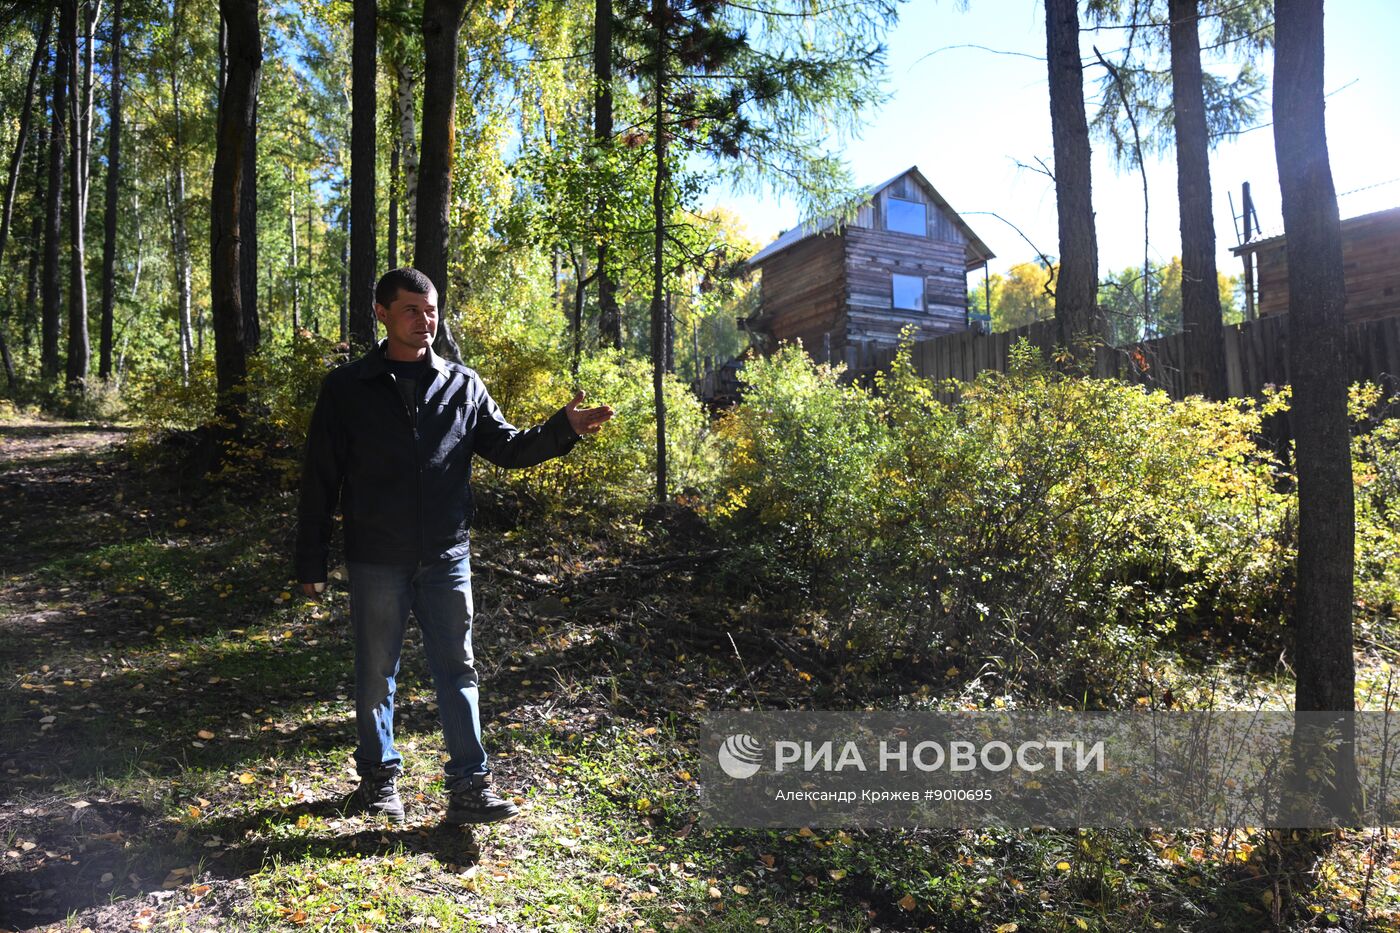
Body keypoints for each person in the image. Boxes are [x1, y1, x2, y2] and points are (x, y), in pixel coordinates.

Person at [294, 267, 613, 825]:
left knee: (458, 669)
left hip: (446, 556)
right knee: (375, 673)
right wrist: (310, 561)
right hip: (376, 556)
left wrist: (561, 427)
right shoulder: (346, 389)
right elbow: (320, 479)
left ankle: (469, 785)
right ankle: (378, 780)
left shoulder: (462, 384)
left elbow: (509, 448)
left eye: (432, 309)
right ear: (382, 313)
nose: (426, 321)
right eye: (413, 310)